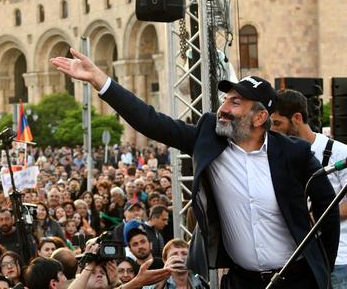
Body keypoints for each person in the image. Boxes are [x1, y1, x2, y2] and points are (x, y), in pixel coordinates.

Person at [51, 49, 339, 289]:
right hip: (243, 282)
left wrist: (321, 273)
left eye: (235, 103)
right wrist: (101, 82)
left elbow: (328, 215)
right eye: (225, 99)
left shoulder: (294, 153)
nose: (223, 108)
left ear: (259, 116)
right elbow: (151, 121)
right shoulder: (207, 138)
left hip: (298, 279)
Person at [272, 88, 347, 288]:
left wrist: (314, 218)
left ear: (297, 118)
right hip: (300, 259)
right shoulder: (277, 155)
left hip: (339, 259)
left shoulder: (340, 152)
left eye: (277, 123)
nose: (272, 130)